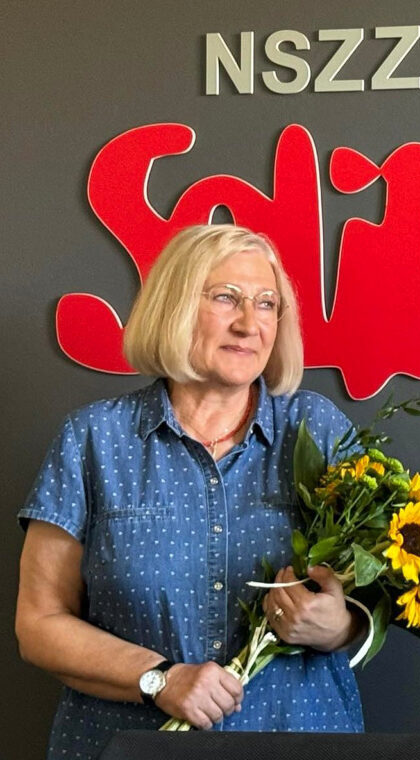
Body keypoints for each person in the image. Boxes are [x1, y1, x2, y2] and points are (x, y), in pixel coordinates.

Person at [15, 224, 366, 760]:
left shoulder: (318, 430)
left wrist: (338, 626)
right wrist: (159, 678)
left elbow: (372, 597)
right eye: (226, 297)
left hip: (297, 738)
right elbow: (39, 624)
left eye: (267, 304)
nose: (249, 323)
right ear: (174, 306)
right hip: (132, 746)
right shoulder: (94, 439)